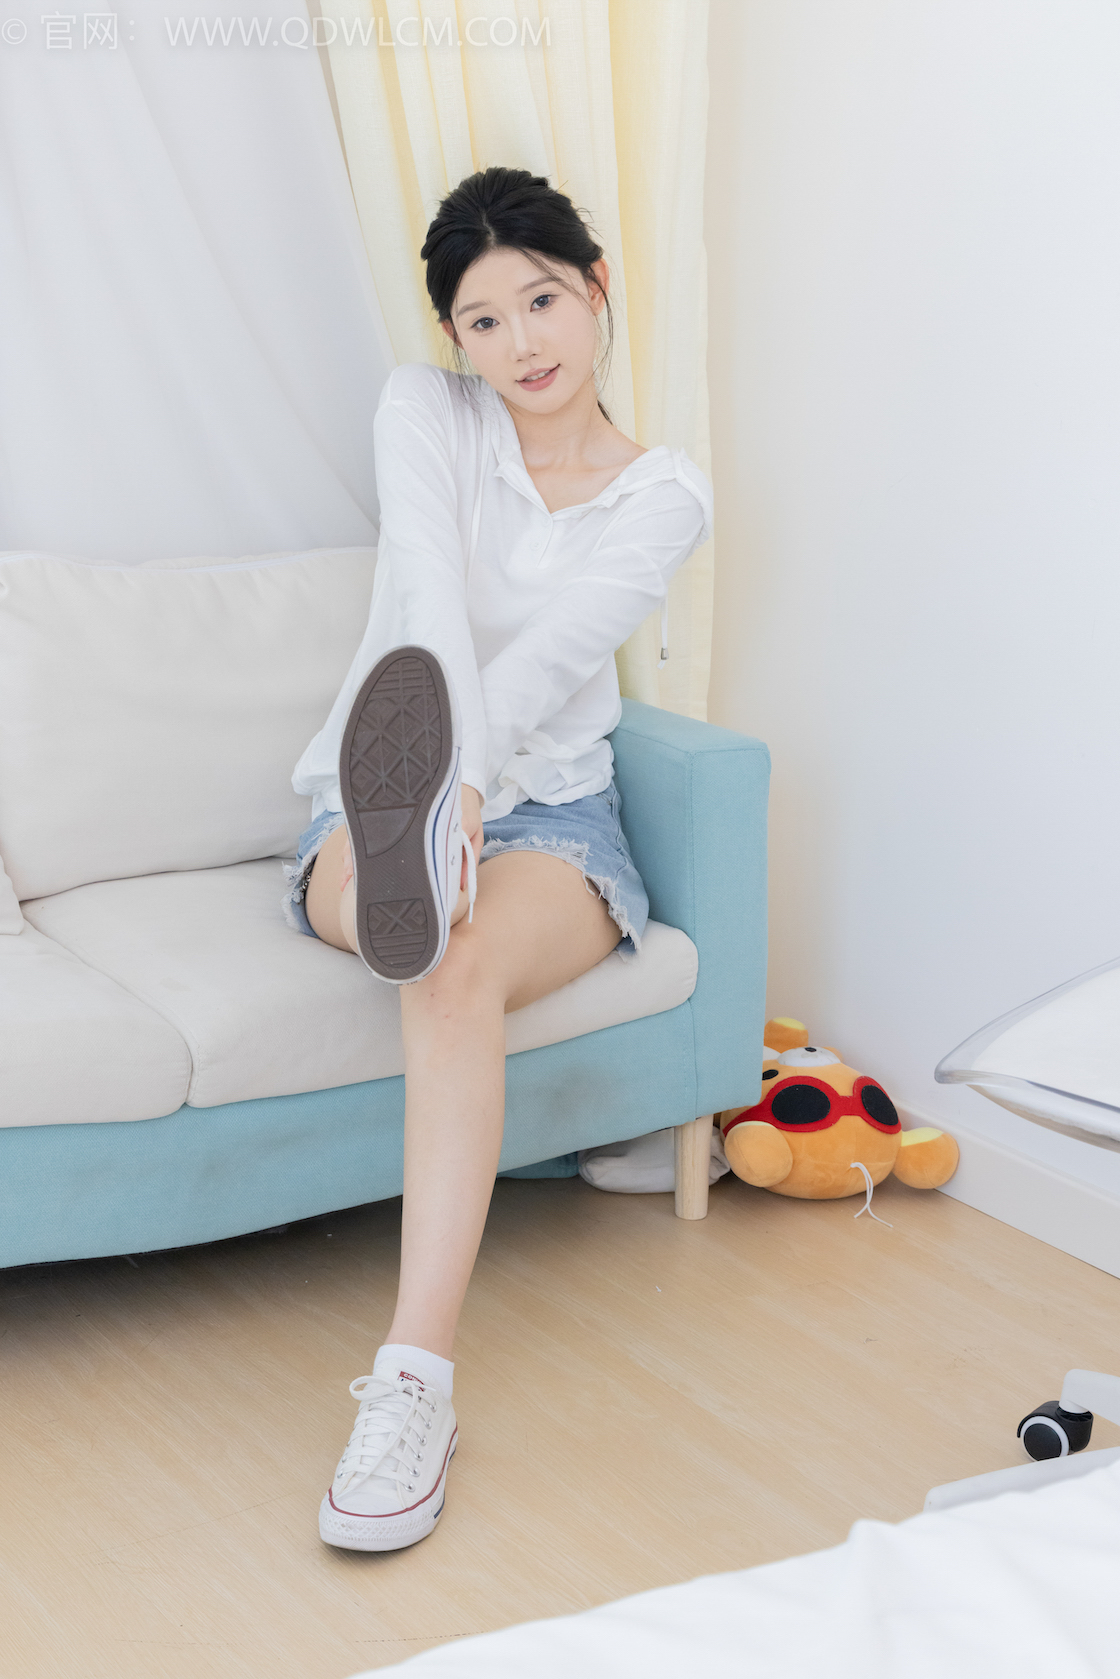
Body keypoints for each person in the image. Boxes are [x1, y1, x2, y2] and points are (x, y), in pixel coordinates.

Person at [283, 166, 712, 1553]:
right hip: (380, 797)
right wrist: (426, 789)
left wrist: (466, 782)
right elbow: (424, 586)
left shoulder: (662, 495)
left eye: (541, 301)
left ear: (596, 288)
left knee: (454, 966)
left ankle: (414, 1381)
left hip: (555, 819)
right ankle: (399, 862)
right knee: (419, 920)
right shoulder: (427, 413)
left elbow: (553, 659)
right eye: (483, 320)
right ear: (452, 338)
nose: (521, 343)